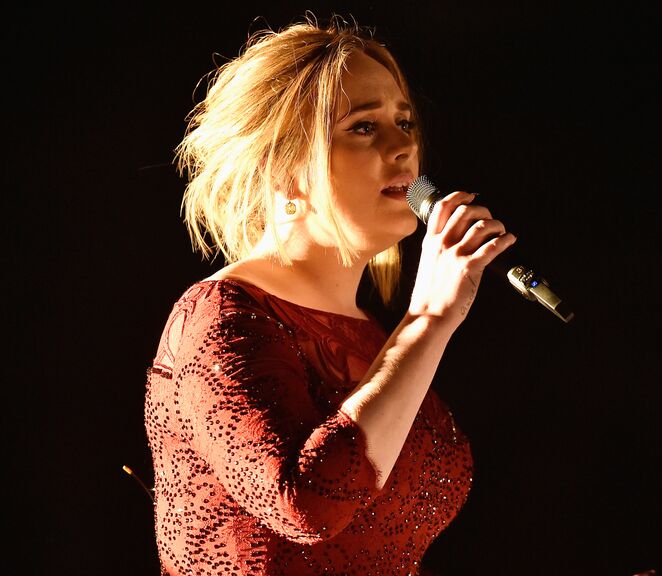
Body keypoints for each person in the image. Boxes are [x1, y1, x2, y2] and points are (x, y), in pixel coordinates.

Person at [144, 14, 517, 576]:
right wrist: (429, 320)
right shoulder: (220, 318)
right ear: (284, 169)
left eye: (405, 121)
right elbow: (307, 504)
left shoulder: (372, 337)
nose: (404, 148)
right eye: (364, 127)